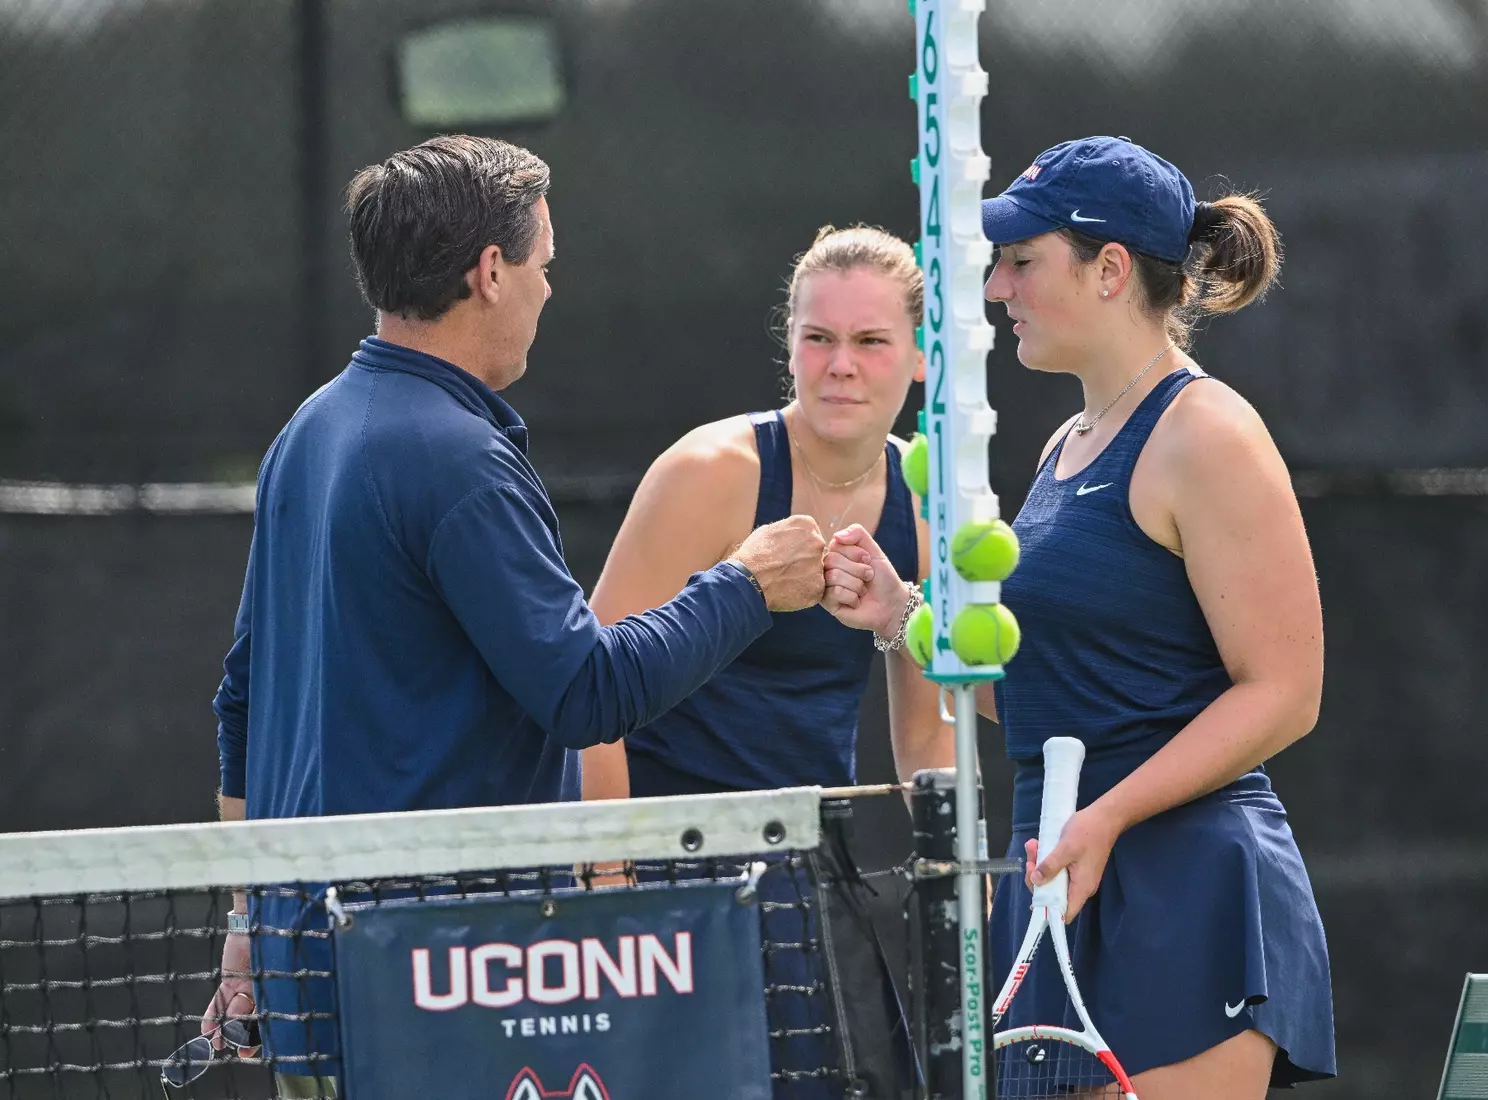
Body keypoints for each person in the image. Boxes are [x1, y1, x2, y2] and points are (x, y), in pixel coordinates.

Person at [202, 135, 840, 1099]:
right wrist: (748, 582)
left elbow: (237, 706)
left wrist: (249, 923)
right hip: (437, 978)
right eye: (544, 265)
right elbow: (587, 694)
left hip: (313, 967)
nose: (550, 288)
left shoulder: (310, 430)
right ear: (491, 273)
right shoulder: (456, 461)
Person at [833, 136, 1335, 1097]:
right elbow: (1050, 710)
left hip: (1186, 887)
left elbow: (1285, 693)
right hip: (1064, 874)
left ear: (1109, 271)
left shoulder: (1208, 433)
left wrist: (1107, 816)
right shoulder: (1068, 443)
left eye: (1023, 262)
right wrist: (900, 616)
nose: (995, 288)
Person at [578, 225, 952, 1097]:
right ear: (791, 347)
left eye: (869, 342)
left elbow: (926, 748)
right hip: (666, 882)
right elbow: (585, 702)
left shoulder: (927, 503)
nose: (840, 365)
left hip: (804, 887)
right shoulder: (711, 471)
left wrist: (953, 896)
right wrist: (613, 897)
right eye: (818, 339)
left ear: (920, 359)